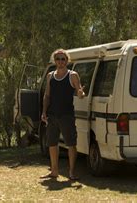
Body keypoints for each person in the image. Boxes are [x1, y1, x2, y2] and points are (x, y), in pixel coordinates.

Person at [40, 48, 85, 181]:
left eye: (63, 59)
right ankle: (54, 171)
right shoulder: (50, 76)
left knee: (71, 144)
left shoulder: (73, 75)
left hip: (67, 115)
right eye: (58, 59)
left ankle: (71, 172)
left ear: (67, 60)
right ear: (55, 61)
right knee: (52, 143)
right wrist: (44, 112)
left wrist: (81, 93)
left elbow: (80, 92)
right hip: (52, 115)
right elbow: (47, 96)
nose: (60, 61)